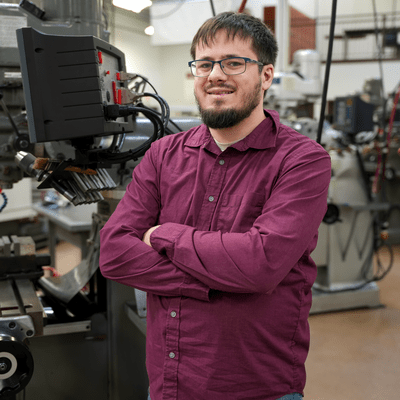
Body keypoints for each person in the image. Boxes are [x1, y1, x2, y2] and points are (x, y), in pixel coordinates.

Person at [99, 11, 331, 400]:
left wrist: (164, 235)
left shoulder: (302, 161)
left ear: (267, 76)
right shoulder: (163, 155)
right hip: (169, 385)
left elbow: (259, 265)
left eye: (234, 63)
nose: (215, 74)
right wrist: (220, 282)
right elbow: (115, 254)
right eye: (205, 64)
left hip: (255, 387)